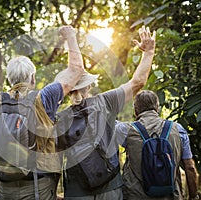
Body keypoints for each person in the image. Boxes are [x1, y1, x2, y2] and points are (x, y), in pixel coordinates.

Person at [0, 25, 84, 199]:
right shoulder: (44, 97)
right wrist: (70, 36)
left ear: (10, 79)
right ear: (32, 78)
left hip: (4, 186)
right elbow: (77, 69)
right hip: (38, 186)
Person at [56, 25, 156, 199]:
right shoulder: (105, 102)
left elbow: (54, 159)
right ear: (88, 85)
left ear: (68, 90)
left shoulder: (61, 118)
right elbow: (138, 82)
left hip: (77, 191)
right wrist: (148, 52)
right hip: (110, 187)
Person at [115, 90, 199, 200]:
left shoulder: (126, 130)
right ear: (157, 107)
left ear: (136, 110)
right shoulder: (178, 130)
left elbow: (105, 123)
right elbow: (190, 167)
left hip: (136, 196)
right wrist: (194, 196)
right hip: (170, 196)